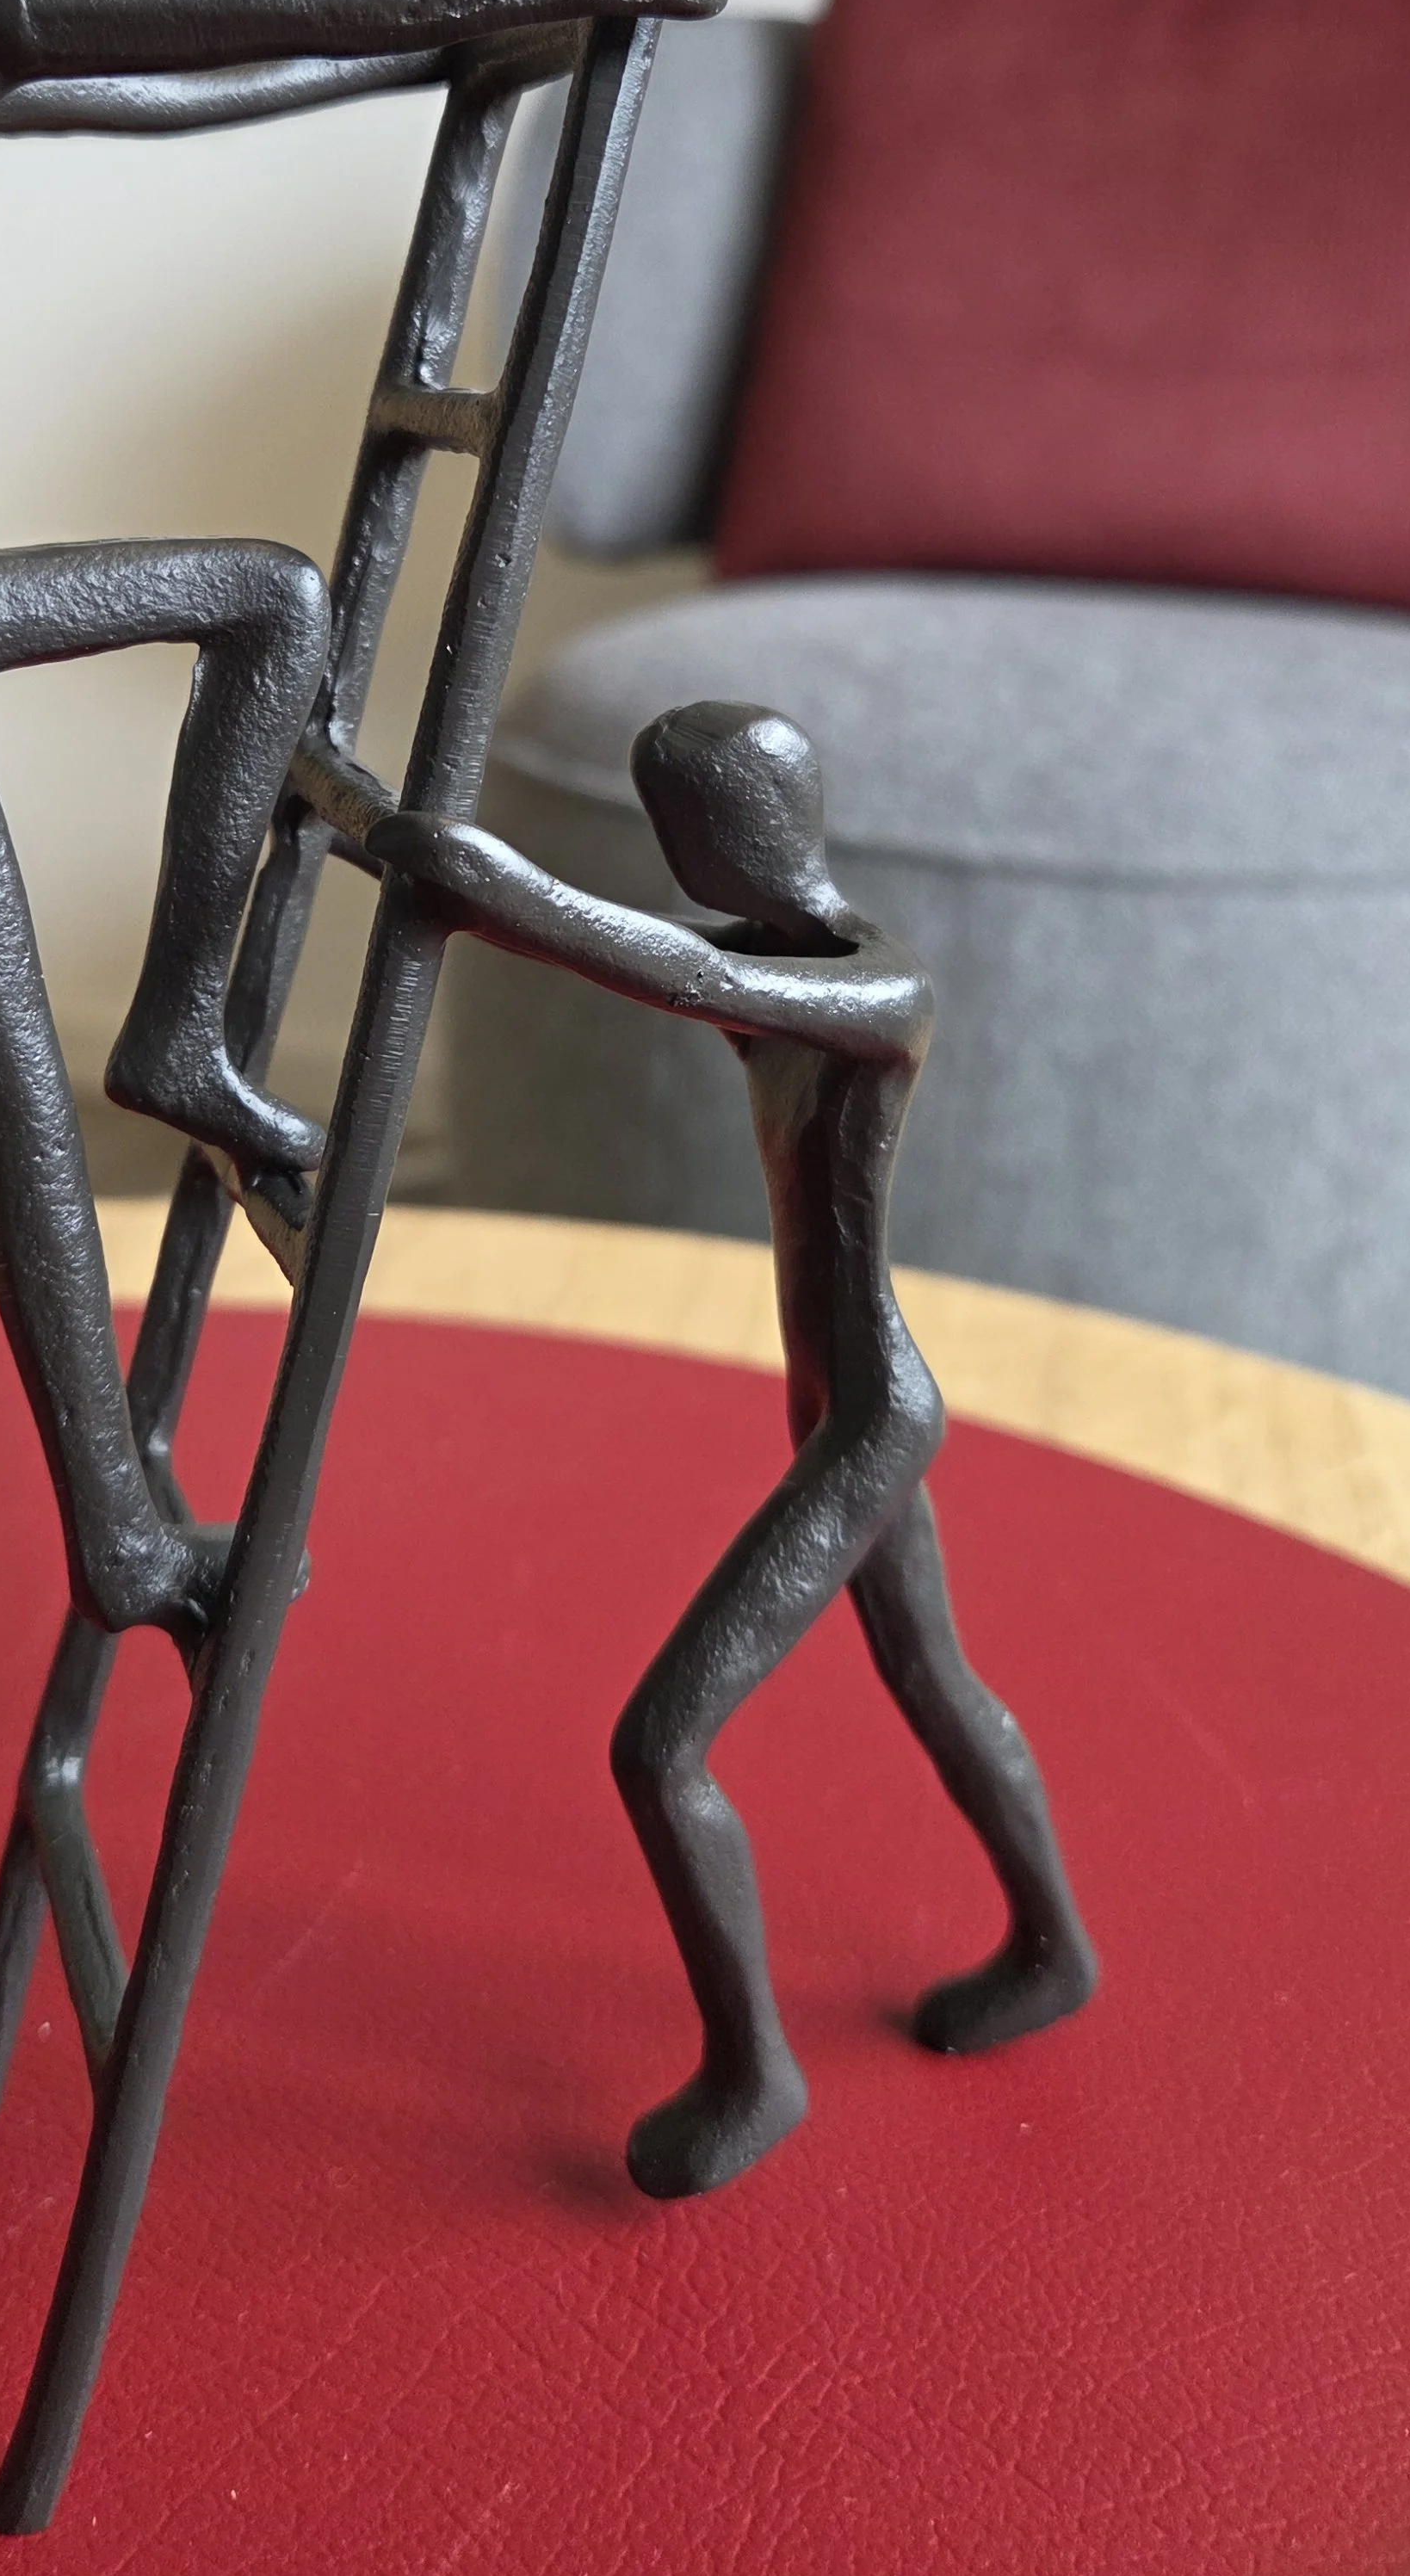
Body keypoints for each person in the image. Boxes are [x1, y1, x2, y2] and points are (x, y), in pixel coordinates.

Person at [0, 0, 727, 1654]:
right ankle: (116, 1530)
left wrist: (476, 49)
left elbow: (217, 74)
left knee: (276, 598)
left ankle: (182, 1032)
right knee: (19, 1104)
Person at [371, 701, 1097, 2197]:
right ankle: (1054, 1950)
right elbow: (658, 955)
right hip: (835, 1408)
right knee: (935, 1683)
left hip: (871, 1417)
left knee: (661, 1748)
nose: (683, 860)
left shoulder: (877, 986)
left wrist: (487, 883)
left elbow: (681, 970)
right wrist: (400, 842)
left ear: (757, 829)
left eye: (692, 831)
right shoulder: (775, 960)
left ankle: (754, 2072)